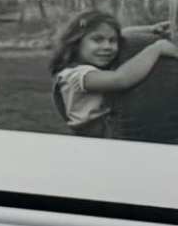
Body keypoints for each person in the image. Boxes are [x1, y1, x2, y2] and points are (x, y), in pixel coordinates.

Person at [50, 11, 178, 134]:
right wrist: (156, 49)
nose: (107, 46)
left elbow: (124, 33)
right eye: (98, 40)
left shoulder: (82, 67)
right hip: (100, 134)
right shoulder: (77, 75)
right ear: (76, 43)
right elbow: (120, 79)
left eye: (112, 41)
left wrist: (150, 29)